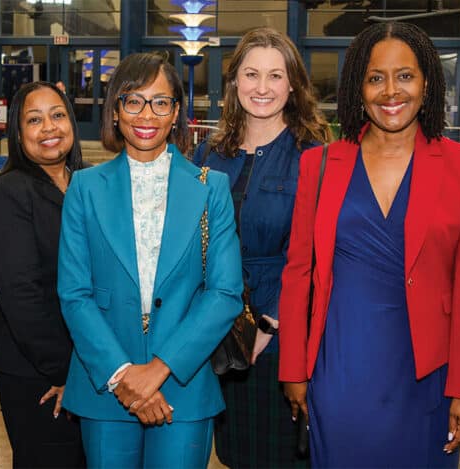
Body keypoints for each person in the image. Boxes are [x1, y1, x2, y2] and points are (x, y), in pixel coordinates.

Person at [279, 22, 460, 468]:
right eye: (376, 77)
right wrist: (293, 370)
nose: (390, 91)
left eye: (405, 76)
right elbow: (298, 273)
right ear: (358, 88)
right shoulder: (319, 165)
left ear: (427, 84)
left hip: (426, 381)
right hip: (340, 372)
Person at [57, 52, 243, 468]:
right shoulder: (84, 188)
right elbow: (75, 294)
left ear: (176, 112)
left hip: (184, 384)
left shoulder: (211, 188)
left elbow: (225, 293)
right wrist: (123, 374)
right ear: (116, 111)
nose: (147, 114)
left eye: (160, 102)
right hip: (106, 387)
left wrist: (158, 369)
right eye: (133, 101)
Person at [192, 27, 331, 468]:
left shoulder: (314, 155)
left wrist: (269, 328)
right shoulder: (209, 153)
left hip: (281, 336)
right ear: (234, 82)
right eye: (251, 74)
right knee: (233, 453)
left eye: (275, 75)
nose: (263, 87)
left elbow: (315, 258)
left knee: (281, 456)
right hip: (217, 332)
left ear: (293, 84)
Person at [0, 81, 86, 468]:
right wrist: (66, 370)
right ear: (18, 131)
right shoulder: (8, 192)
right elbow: (20, 293)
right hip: (36, 368)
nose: (49, 128)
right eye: (34, 119)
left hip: (89, 361)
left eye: (58, 115)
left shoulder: (88, 183)